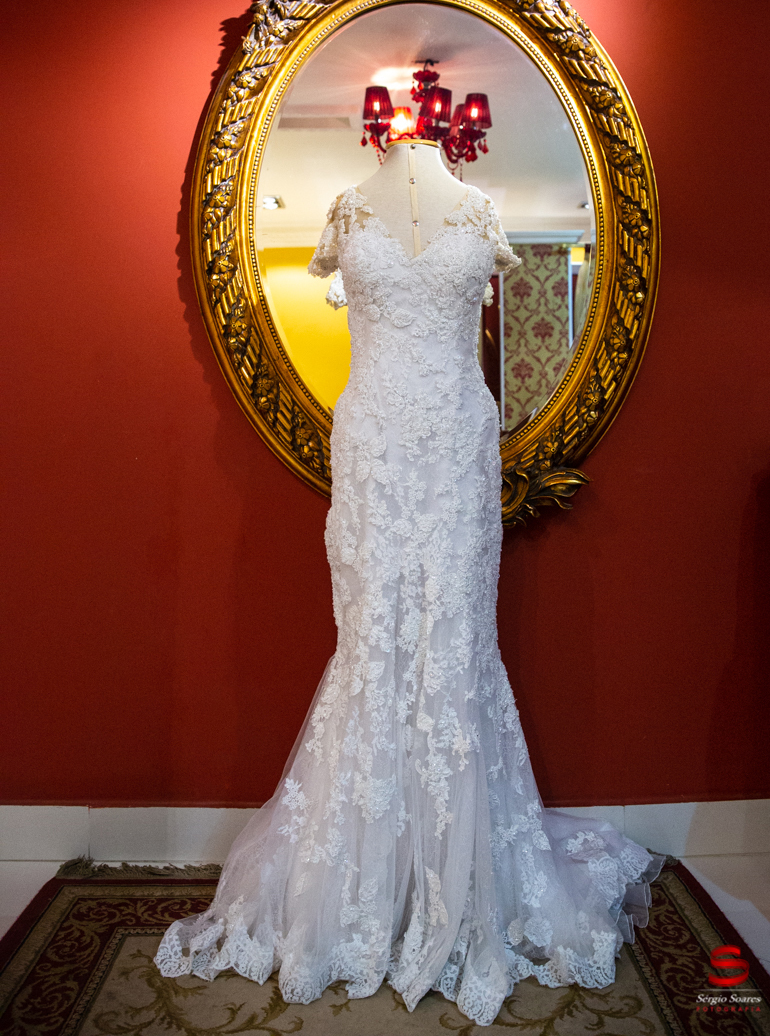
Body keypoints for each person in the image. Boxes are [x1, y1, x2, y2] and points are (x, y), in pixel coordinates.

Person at [155, 138, 664, 1027]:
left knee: (455, 642)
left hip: (459, 449)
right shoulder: (349, 211)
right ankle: (363, 884)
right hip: (375, 452)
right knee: (375, 642)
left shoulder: (479, 210)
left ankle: (463, 882)